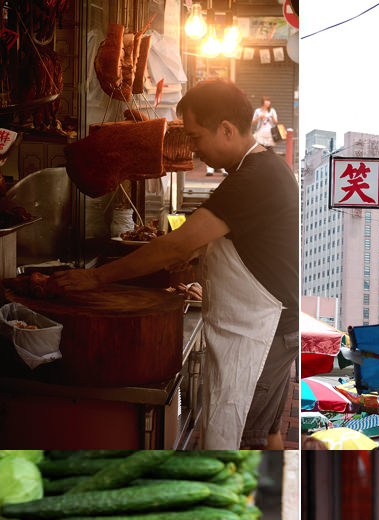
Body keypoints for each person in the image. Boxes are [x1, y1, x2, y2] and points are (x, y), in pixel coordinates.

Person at [52, 79, 298, 451]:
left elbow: (178, 244)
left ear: (227, 130)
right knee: (264, 435)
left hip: (263, 332)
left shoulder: (255, 177)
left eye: (197, 137)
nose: (195, 151)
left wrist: (96, 277)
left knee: (249, 442)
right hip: (269, 328)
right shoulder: (261, 170)